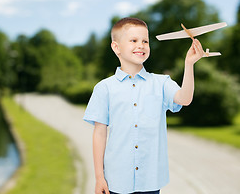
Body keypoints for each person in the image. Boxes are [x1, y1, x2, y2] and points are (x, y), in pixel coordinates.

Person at [83, 17, 205, 194]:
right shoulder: (104, 88)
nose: (141, 45)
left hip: (150, 181)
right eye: (133, 40)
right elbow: (99, 134)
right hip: (116, 181)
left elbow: (184, 99)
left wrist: (189, 64)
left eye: (145, 41)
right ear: (116, 47)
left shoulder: (162, 83)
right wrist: (99, 177)